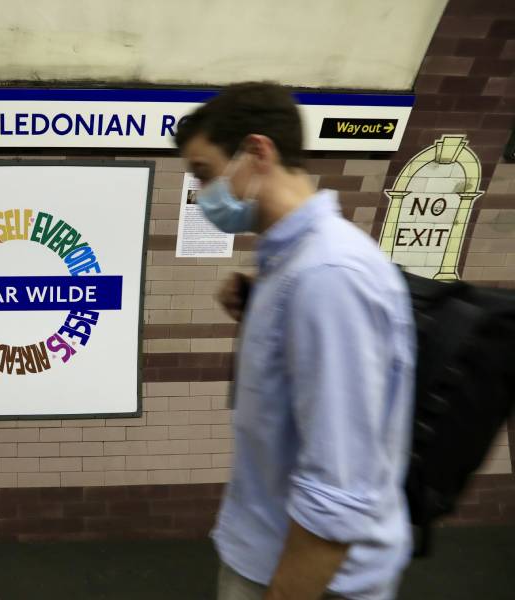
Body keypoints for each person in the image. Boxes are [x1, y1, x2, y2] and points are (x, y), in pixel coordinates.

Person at [174, 82, 415, 600]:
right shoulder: (291, 267)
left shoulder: (327, 274)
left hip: (306, 577)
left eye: (205, 174)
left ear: (258, 152)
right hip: (265, 548)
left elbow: (339, 486)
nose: (202, 195)